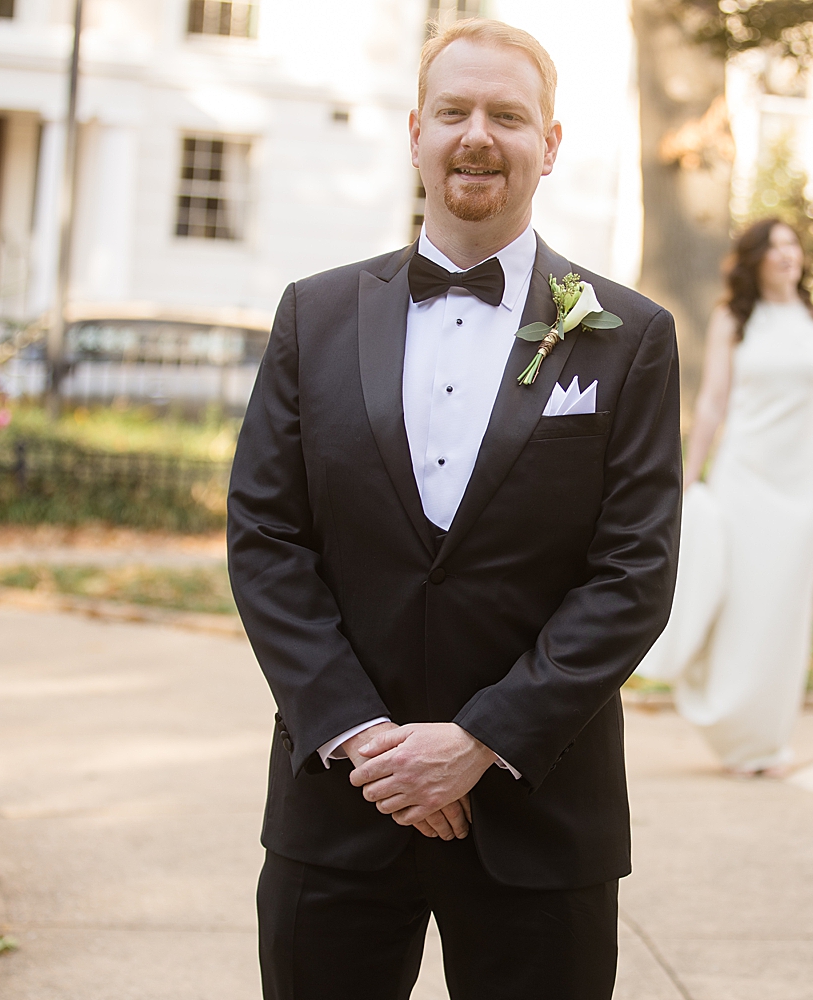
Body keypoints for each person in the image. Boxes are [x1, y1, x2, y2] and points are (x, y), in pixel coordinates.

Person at [226, 17, 681, 1000]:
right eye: (455, 111)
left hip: (540, 811)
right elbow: (265, 539)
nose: (479, 136)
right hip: (341, 804)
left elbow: (633, 576)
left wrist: (477, 743)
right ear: (416, 132)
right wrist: (365, 740)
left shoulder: (629, 337)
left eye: (509, 116)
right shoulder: (316, 314)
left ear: (550, 144)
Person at [639, 218, 813, 776]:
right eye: (775, 247)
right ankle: (733, 731)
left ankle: (766, 742)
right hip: (742, 479)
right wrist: (691, 471)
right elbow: (713, 400)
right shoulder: (733, 319)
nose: (787, 255)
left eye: (793, 245)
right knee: (740, 607)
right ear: (756, 259)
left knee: (782, 613)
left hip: (801, 488)